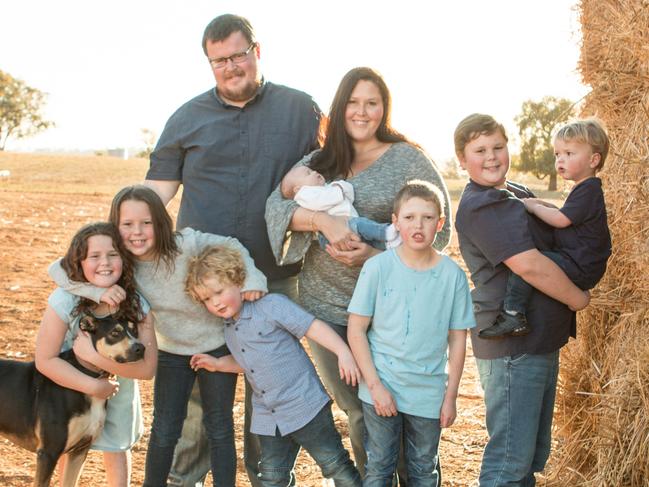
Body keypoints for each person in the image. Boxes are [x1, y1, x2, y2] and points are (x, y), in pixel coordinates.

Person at [143, 13, 322, 486]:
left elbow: (334, 170)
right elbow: (153, 197)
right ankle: (186, 479)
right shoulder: (186, 118)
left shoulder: (300, 109)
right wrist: (114, 246)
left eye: (237, 56)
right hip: (201, 286)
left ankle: (267, 479)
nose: (229, 67)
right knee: (200, 398)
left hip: (274, 277)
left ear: (256, 52)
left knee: (268, 389)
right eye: (218, 60)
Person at [265, 67, 452, 478]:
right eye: (353, 102)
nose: (362, 111)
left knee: (404, 414)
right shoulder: (320, 161)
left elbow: (442, 233)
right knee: (361, 415)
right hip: (328, 309)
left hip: (391, 316)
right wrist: (323, 222)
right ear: (340, 106)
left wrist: (375, 257)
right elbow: (275, 209)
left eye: (372, 102)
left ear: (384, 108)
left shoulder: (408, 159)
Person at [48, 185, 267, 487]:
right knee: (165, 427)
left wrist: (253, 277)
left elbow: (231, 244)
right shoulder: (121, 261)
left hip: (215, 346)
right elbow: (57, 269)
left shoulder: (186, 244)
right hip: (171, 352)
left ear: (161, 222)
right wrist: (95, 291)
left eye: (146, 222)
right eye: (127, 224)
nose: (137, 232)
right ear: (116, 227)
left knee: (219, 426)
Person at [453, 113, 591, 486]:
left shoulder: (514, 192)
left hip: (538, 339)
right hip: (513, 347)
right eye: (480, 150)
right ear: (462, 161)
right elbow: (529, 266)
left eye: (498, 146)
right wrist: (577, 297)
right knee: (509, 461)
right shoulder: (483, 204)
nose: (492, 156)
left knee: (529, 456)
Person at [185, 245, 362, 486]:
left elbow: (312, 326)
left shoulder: (271, 306)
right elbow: (248, 363)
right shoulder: (229, 329)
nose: (215, 302)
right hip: (269, 415)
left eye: (219, 291)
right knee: (271, 475)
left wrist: (343, 352)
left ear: (239, 280)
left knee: (334, 464)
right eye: (206, 298)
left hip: (304, 405)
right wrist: (217, 364)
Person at [347, 181, 475, 487]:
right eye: (409, 217)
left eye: (428, 218)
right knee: (379, 467)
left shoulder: (452, 276)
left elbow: (458, 339)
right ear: (395, 222)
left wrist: (450, 397)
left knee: (422, 471)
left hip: (428, 392)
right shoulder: (377, 268)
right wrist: (375, 386)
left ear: (440, 224)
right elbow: (356, 330)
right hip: (383, 384)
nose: (418, 225)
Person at [35, 222, 157, 487]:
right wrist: (92, 385)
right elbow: (44, 359)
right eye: (94, 256)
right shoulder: (65, 300)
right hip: (69, 385)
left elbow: (147, 369)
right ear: (79, 263)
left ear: (124, 259)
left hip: (120, 383)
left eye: (113, 254)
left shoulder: (135, 304)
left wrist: (96, 359)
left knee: (117, 446)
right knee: (69, 445)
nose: (105, 262)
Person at [478, 118, 612, 339]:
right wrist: (541, 204)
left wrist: (531, 206)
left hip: (580, 264)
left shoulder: (589, 190)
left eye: (569, 154)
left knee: (526, 267)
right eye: (557, 154)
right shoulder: (585, 188)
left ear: (593, 159)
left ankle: (513, 314)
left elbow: (560, 219)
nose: (560, 160)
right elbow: (565, 213)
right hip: (580, 262)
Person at [280, 165, 401, 250]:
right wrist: (339, 188)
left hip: (346, 227)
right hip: (334, 233)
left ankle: (387, 245)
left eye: (312, 170)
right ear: (298, 189)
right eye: (308, 173)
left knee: (367, 241)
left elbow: (348, 194)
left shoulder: (323, 189)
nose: (314, 172)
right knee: (363, 225)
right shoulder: (304, 195)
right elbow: (327, 200)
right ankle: (386, 232)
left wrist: (339, 187)